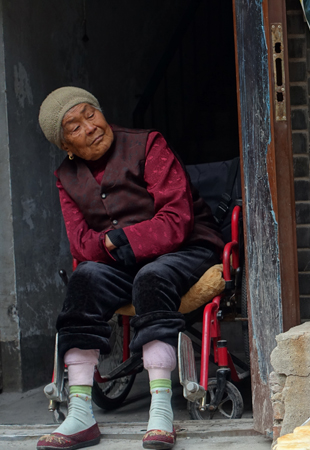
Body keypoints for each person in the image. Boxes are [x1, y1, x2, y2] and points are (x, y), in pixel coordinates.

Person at [36, 87, 224, 450]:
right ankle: (80, 413)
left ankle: (160, 411)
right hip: (121, 260)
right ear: (67, 146)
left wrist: (122, 239)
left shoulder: (148, 145)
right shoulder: (66, 176)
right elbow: (80, 242)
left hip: (188, 247)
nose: (90, 127)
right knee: (84, 278)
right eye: (74, 126)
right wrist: (110, 246)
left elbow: (176, 218)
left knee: (151, 276)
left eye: (90, 113)